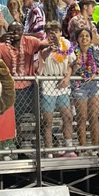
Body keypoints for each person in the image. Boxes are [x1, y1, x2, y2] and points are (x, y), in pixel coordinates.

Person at [39, 21, 75, 158]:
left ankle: (69, 147)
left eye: (56, 31)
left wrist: (68, 76)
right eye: (50, 31)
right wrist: (49, 49)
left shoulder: (67, 44)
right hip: (48, 84)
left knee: (68, 116)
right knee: (48, 120)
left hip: (63, 85)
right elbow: (41, 57)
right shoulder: (43, 44)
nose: (53, 33)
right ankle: (49, 150)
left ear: (60, 32)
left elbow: (71, 63)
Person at [72, 28, 99, 153]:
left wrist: (97, 71)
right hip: (79, 86)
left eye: (87, 36)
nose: (84, 38)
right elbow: (69, 68)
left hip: (94, 85)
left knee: (93, 117)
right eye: (81, 36)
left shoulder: (97, 51)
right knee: (82, 117)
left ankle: (95, 147)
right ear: (77, 39)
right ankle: (83, 148)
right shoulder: (73, 52)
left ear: (91, 39)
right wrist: (76, 64)